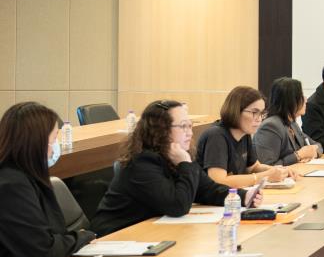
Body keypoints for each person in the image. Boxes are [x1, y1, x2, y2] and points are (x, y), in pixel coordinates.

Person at [92, 100, 261, 237]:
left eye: (190, 126)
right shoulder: (142, 163)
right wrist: (185, 164)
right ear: (161, 130)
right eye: (183, 126)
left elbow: (207, 190)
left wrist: (243, 197)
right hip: (115, 238)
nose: (190, 133)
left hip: (148, 234)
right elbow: (177, 206)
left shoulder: (175, 156)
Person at [0, 102, 96, 257]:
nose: (54, 149)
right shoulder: (11, 185)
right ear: (36, 143)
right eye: (53, 140)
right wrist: (82, 237)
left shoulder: (24, 174)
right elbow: (42, 249)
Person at [196, 86, 294, 188]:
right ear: (236, 110)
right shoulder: (216, 135)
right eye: (254, 112)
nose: (259, 119)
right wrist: (266, 176)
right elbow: (219, 181)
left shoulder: (244, 133)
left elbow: (253, 167)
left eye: (262, 113)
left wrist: (280, 171)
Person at [256, 78, 323, 166]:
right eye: (301, 96)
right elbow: (268, 166)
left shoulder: (292, 123)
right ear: (290, 100)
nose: (306, 99)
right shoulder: (271, 126)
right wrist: (299, 155)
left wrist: (313, 153)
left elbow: (318, 145)